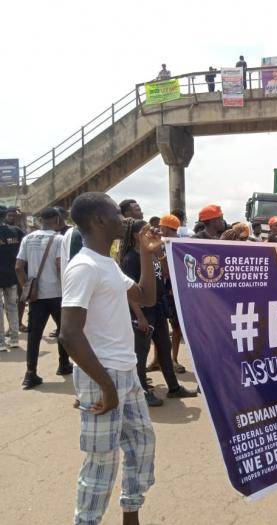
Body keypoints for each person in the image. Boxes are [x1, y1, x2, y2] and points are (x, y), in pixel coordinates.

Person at [59, 192, 159, 525]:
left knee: (141, 445)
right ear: (100, 220)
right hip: (101, 374)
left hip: (125, 371)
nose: (124, 219)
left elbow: (145, 296)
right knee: (101, 462)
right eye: (117, 213)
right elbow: (69, 334)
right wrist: (106, 386)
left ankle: (131, 514)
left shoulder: (107, 265)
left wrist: (146, 255)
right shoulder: (84, 267)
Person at [119, 218, 197, 406]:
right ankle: (142, 391)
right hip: (143, 312)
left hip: (158, 308)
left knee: (164, 347)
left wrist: (159, 251)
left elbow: (167, 274)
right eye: (147, 230)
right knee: (141, 353)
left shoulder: (150, 253)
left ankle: (174, 387)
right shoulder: (131, 258)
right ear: (138, 236)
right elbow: (128, 291)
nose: (153, 232)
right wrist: (139, 316)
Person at [16, 208, 70, 389]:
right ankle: (63, 365)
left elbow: (18, 267)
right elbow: (59, 266)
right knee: (64, 332)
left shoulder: (27, 238)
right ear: (56, 219)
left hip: (36, 297)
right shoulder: (59, 239)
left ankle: (30, 374)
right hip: (57, 294)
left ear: (40, 220)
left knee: (34, 335)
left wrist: (27, 289)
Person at [148, 214, 185, 375]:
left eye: (162, 227)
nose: (159, 229)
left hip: (173, 291)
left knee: (175, 327)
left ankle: (173, 359)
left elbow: (169, 273)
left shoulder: (175, 245)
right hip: (163, 291)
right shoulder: (163, 243)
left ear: (169, 228)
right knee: (161, 327)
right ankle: (157, 360)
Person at [0, 205, 24, 351]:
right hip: (11, 276)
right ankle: (14, 338)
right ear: (4, 216)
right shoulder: (16, 231)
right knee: (12, 307)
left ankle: (1, 342)